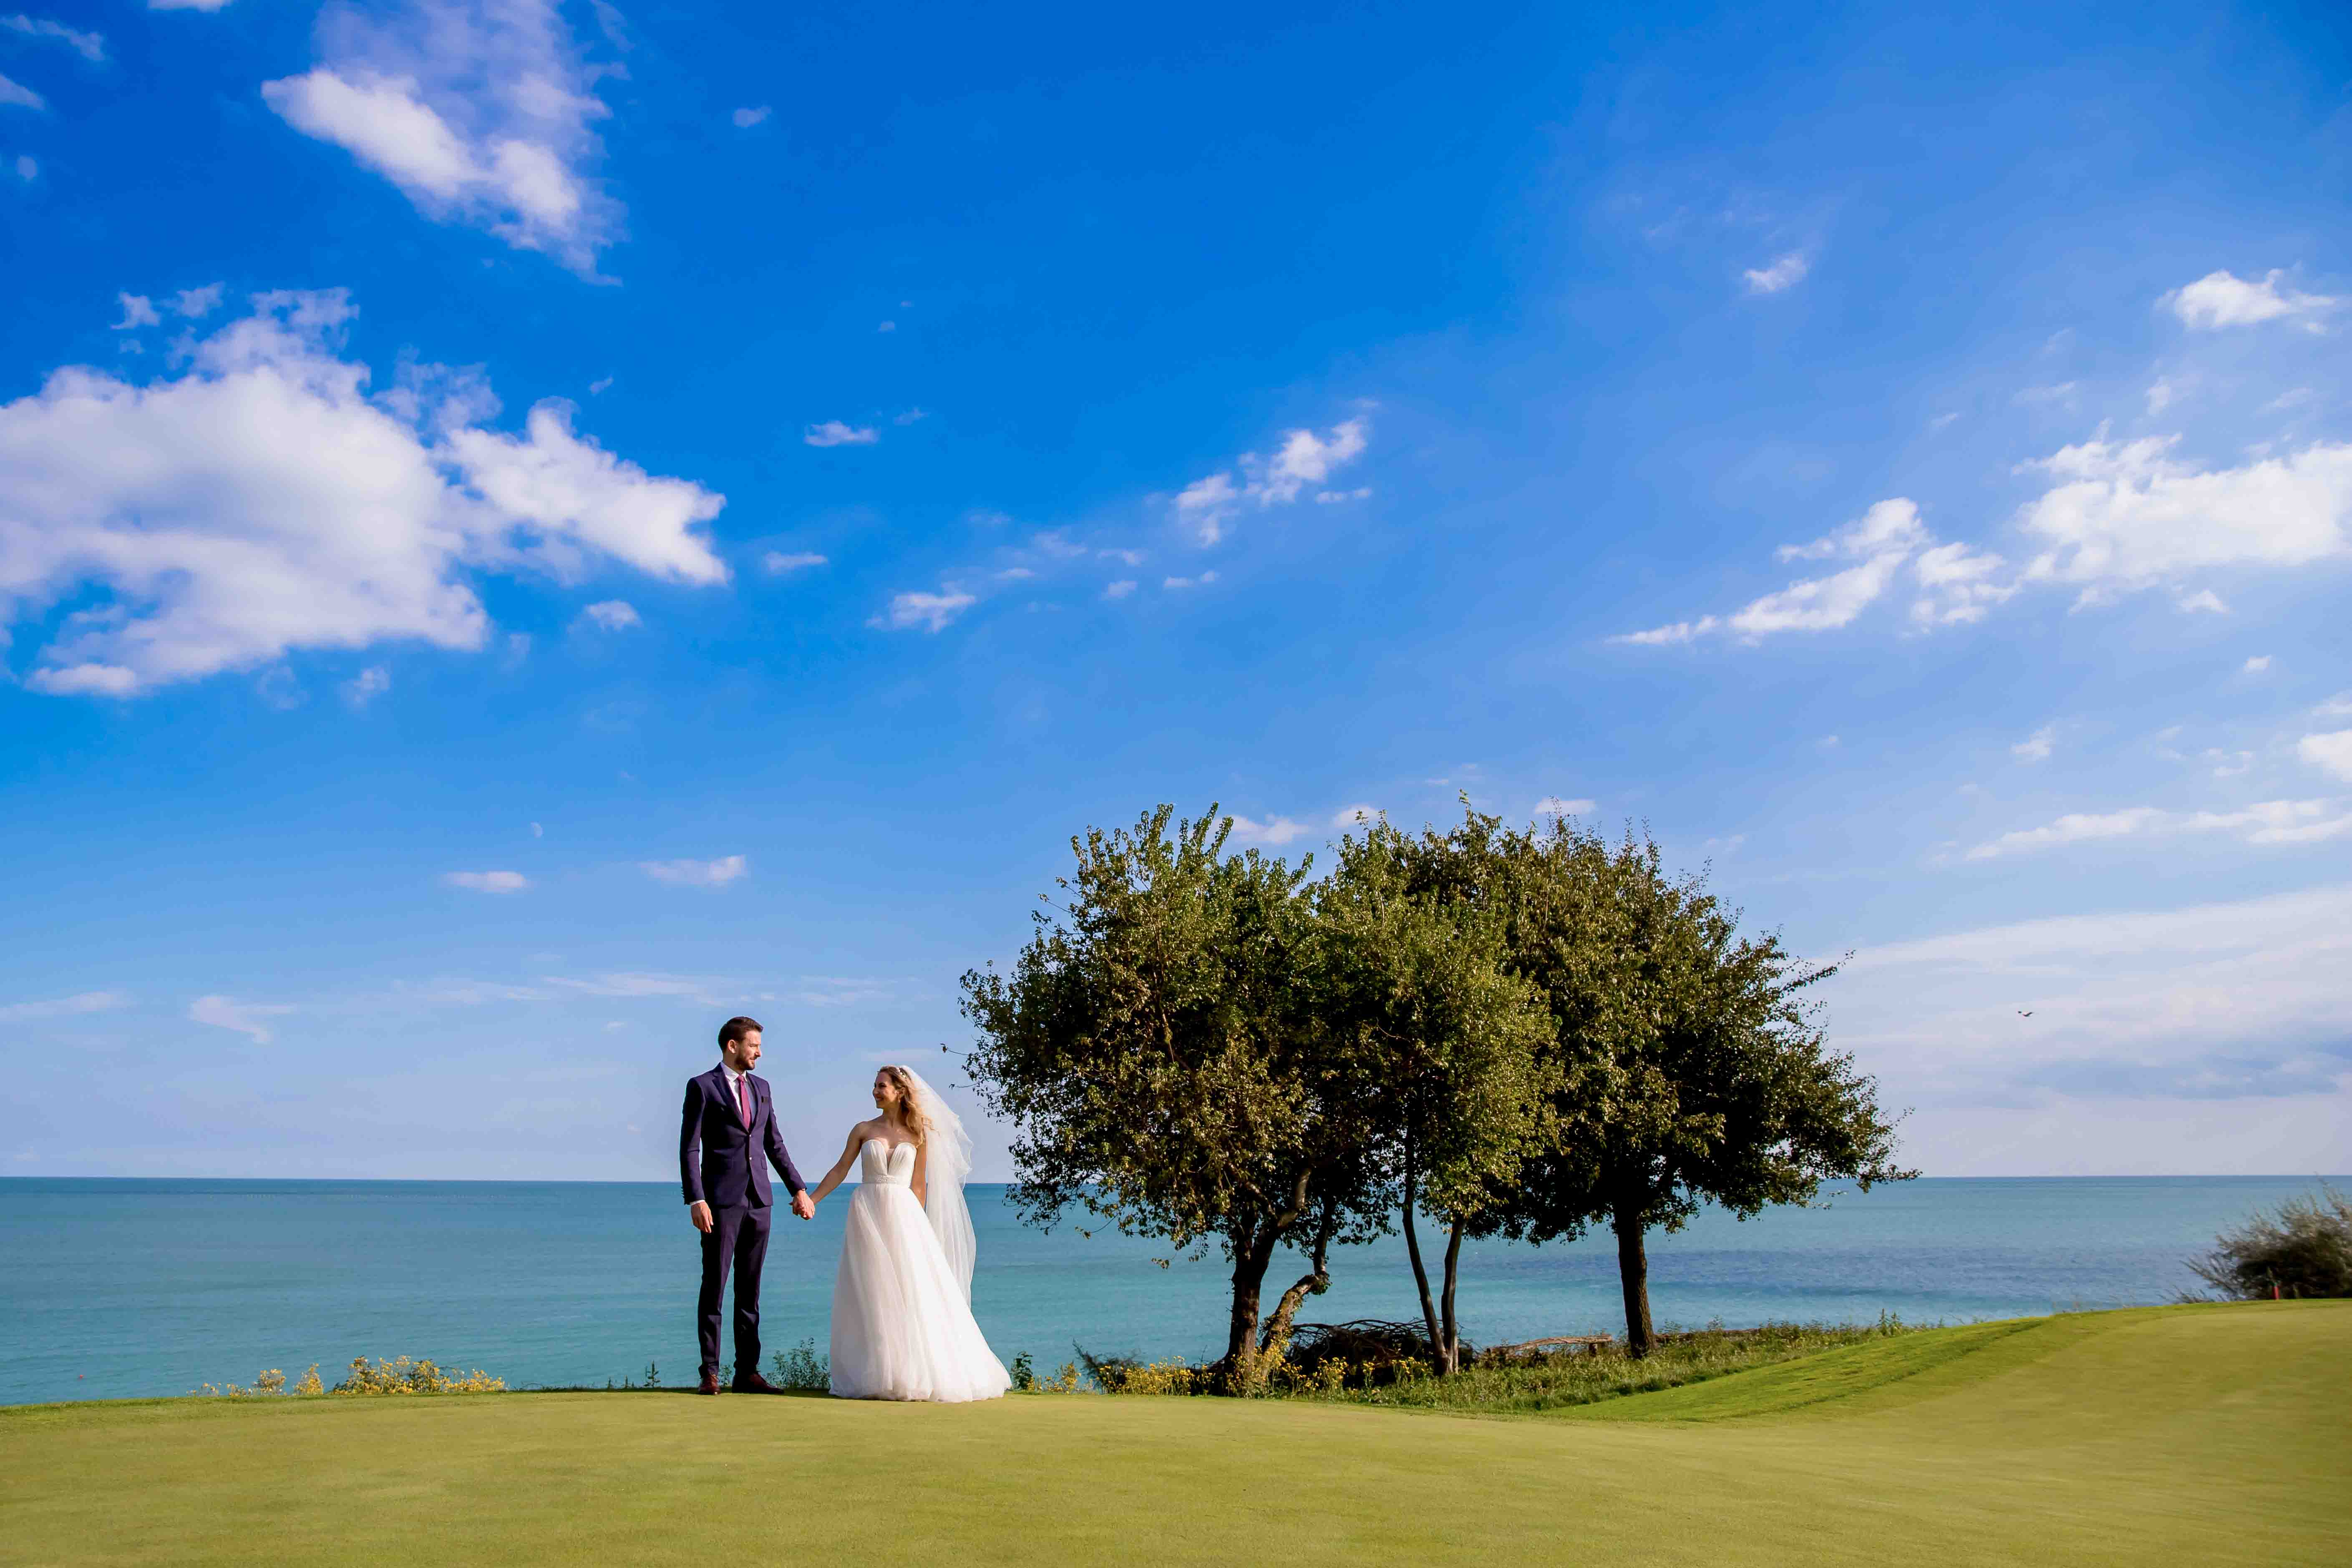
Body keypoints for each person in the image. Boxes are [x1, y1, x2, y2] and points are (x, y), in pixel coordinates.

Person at [803, 1065, 1011, 1402]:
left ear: (900, 1091)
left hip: (904, 1217)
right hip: (867, 1213)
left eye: (881, 1086)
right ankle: (877, 1374)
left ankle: (911, 1373)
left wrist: (920, 1229)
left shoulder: (919, 1134)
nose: (875, 1091)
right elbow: (840, 1169)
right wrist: (812, 1199)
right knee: (871, 1291)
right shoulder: (863, 1129)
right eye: (874, 1085)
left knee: (910, 1290)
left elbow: (918, 1186)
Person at [679, 1015, 813, 1395]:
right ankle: (710, 1372)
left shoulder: (762, 1088)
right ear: (732, 1046)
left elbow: (774, 1143)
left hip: (760, 1201)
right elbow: (690, 1148)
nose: (759, 1052)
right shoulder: (702, 1086)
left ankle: (747, 1372)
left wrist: (799, 1189)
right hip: (720, 1202)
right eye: (754, 1045)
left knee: (750, 1291)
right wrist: (697, 1198)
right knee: (715, 1287)